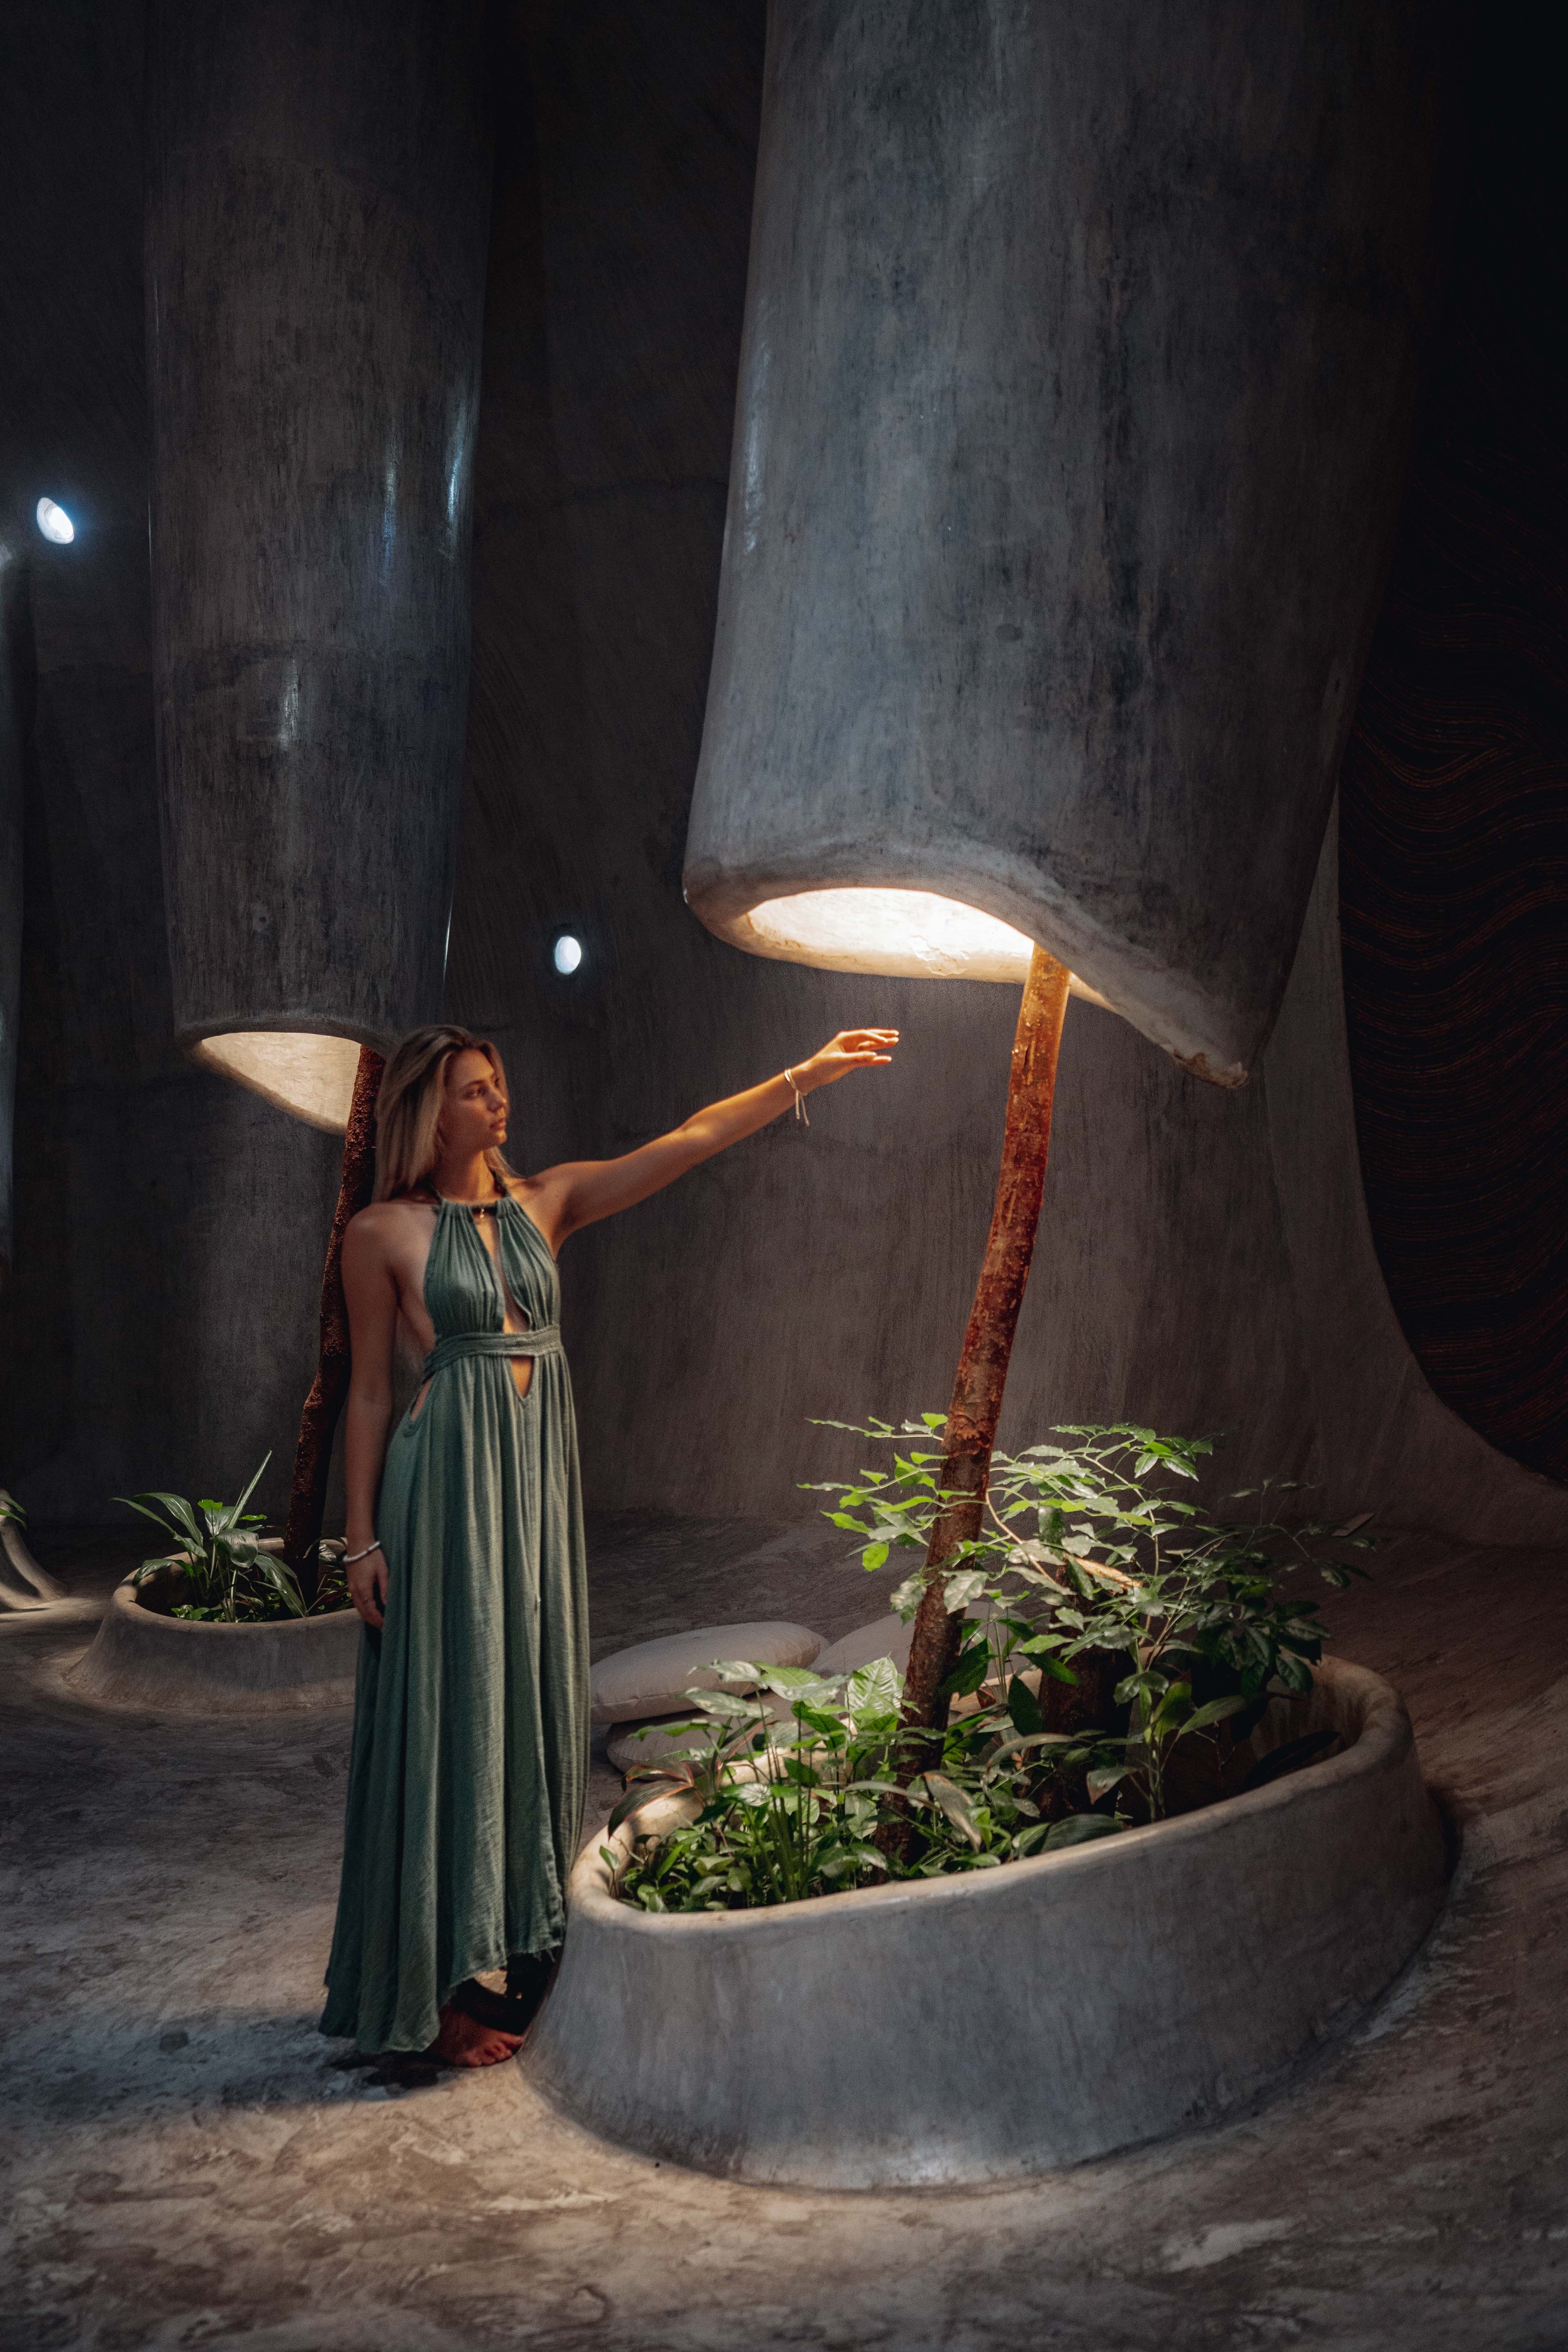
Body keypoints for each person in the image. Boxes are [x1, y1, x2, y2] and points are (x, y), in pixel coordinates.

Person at [320, 1019, 898, 2065]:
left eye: (499, 1087)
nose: (499, 1105)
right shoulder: (379, 1234)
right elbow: (369, 1392)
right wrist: (360, 1542)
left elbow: (688, 1140)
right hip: (444, 1485)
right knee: (451, 1709)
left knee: (528, 1700)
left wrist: (807, 1071)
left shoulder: (549, 1201)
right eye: (475, 1092)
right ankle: (441, 1990)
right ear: (427, 1108)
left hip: (534, 1485)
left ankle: (517, 1955)